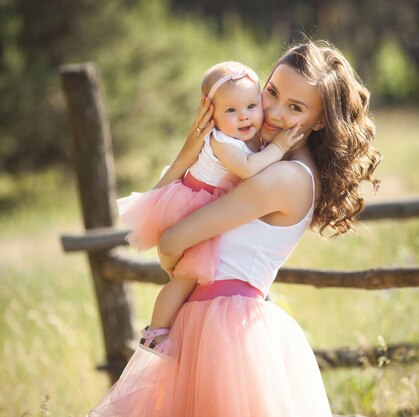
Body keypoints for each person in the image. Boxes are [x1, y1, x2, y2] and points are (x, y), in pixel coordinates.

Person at [88, 40, 381, 417]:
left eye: (295, 107)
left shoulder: (284, 177)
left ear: (319, 120)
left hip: (224, 330)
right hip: (210, 320)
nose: (273, 112)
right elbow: (158, 203)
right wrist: (192, 148)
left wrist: (174, 261)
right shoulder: (257, 156)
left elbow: (171, 240)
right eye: (271, 92)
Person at [116, 61, 302, 355]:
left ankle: (165, 327)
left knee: (189, 275)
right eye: (230, 111)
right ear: (210, 115)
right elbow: (247, 169)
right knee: (185, 277)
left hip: (207, 202)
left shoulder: (245, 135)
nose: (244, 116)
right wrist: (279, 147)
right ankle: (156, 331)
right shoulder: (221, 140)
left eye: (252, 106)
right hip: (192, 202)